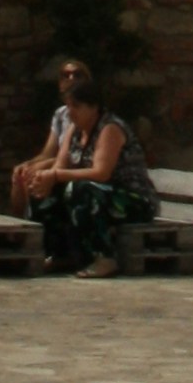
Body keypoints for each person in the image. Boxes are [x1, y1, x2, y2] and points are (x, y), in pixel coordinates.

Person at [26, 81, 158, 277]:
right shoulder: (74, 129)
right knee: (44, 190)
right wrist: (45, 179)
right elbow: (60, 166)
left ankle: (104, 257)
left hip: (131, 200)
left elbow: (101, 173)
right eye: (69, 106)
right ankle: (61, 253)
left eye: (76, 107)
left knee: (82, 189)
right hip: (98, 195)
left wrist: (56, 175)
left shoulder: (110, 128)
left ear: (94, 107)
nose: (70, 112)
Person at [10, 59, 95, 213]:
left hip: (78, 162)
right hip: (60, 161)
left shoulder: (91, 111)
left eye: (77, 75)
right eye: (66, 75)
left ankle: (39, 219)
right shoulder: (60, 114)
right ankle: (21, 229)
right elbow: (48, 152)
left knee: (38, 171)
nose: (71, 79)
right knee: (22, 172)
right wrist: (27, 163)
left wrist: (46, 165)